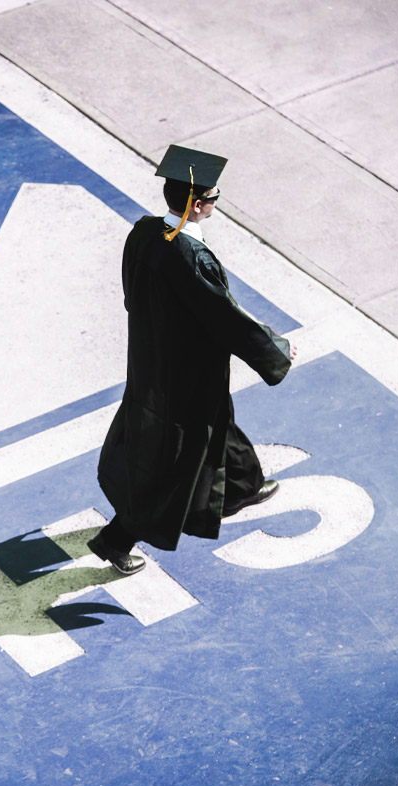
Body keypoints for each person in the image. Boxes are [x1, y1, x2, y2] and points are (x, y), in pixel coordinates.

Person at [88, 145, 296, 575]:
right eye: (215, 198)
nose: (217, 203)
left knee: (218, 425)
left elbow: (135, 293)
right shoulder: (192, 256)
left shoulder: (144, 232)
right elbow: (225, 316)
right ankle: (115, 539)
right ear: (199, 206)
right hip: (183, 377)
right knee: (174, 463)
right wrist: (275, 348)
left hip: (151, 359)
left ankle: (242, 486)